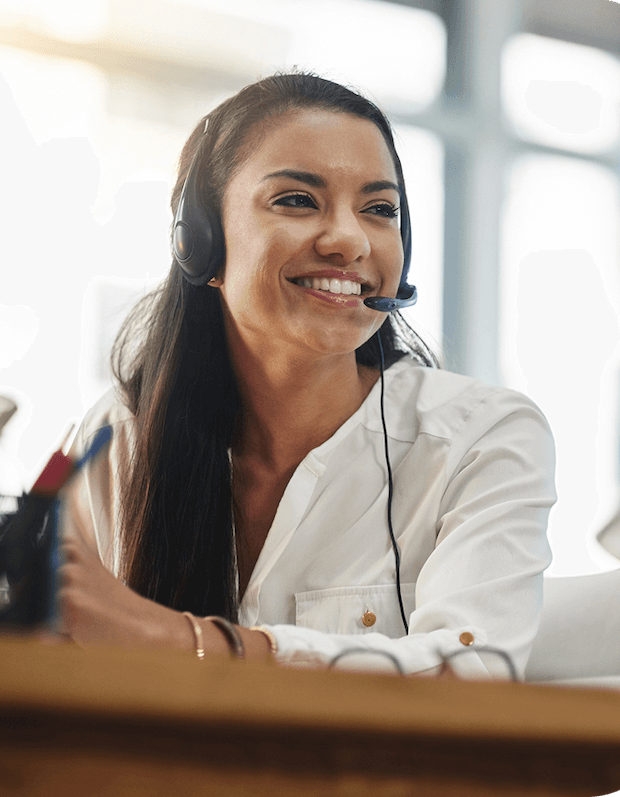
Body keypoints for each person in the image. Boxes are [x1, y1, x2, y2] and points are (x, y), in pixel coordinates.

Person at [57, 72, 557, 678]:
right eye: (297, 200)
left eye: (379, 210)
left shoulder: (482, 437)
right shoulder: (117, 438)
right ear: (201, 241)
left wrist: (185, 642)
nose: (349, 241)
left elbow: (475, 672)